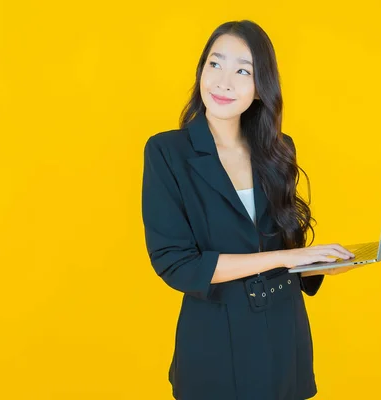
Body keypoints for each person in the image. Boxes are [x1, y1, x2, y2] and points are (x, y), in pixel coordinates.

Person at [141, 20, 360, 400]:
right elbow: (178, 265)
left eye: (244, 71)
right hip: (215, 341)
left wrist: (321, 262)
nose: (224, 82)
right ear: (201, 71)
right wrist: (289, 255)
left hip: (283, 332)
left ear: (261, 89)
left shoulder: (278, 148)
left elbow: (286, 241)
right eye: (215, 64)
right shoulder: (166, 152)